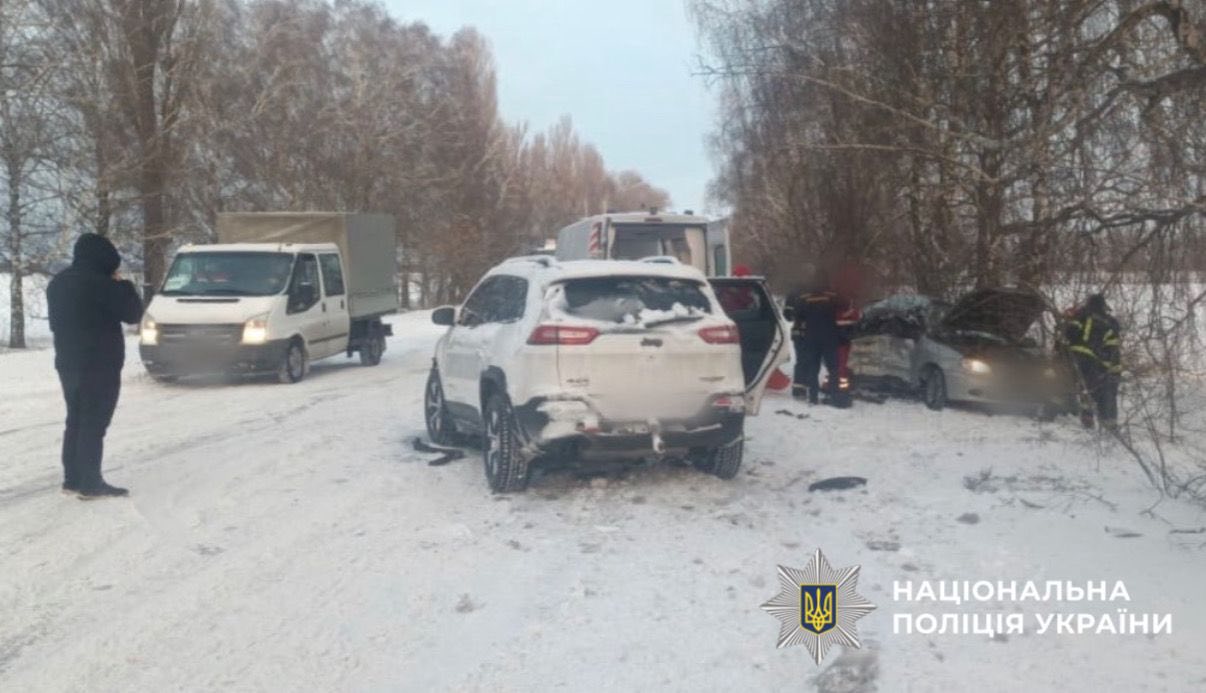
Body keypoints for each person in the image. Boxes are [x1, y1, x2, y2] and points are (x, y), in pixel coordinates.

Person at [47, 233, 144, 498]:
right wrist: (124, 285)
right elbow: (134, 314)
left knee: (75, 419)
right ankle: (91, 483)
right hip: (99, 363)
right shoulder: (103, 284)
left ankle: (72, 479)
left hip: (67, 362)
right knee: (94, 423)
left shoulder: (58, 282)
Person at [1064, 293, 1122, 430]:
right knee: (1100, 389)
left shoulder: (1081, 314)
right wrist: (1110, 368)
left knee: (1084, 387)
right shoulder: (1111, 322)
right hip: (1097, 360)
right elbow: (1113, 348)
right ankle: (1107, 423)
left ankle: (1087, 417)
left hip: (1076, 356)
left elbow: (1070, 333)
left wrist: (1068, 319)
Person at [787, 281, 841, 404]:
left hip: (811, 338)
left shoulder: (805, 298)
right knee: (833, 367)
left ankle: (813, 397)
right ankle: (834, 395)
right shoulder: (833, 296)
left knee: (813, 368)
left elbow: (796, 315)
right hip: (829, 337)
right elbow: (841, 311)